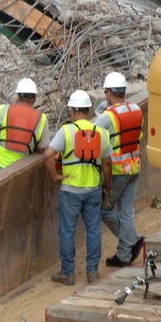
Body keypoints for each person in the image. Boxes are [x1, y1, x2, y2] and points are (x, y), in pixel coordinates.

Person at [43, 90, 113, 286]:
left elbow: (48, 155)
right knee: (93, 231)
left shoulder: (66, 132)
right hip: (93, 190)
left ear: (72, 111)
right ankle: (92, 272)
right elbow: (107, 164)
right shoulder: (102, 133)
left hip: (70, 192)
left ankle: (68, 273)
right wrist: (108, 187)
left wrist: (55, 175)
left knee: (67, 231)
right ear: (90, 110)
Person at [94, 71, 145, 267]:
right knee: (126, 211)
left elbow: (93, 133)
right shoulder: (136, 109)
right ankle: (124, 254)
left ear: (108, 93)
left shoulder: (109, 116)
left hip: (118, 170)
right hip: (134, 167)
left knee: (103, 209)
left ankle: (130, 240)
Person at [0, 77, 50, 176]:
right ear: (34, 98)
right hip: (20, 169)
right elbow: (42, 149)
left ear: (18, 97)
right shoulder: (42, 119)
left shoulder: (3, 110)